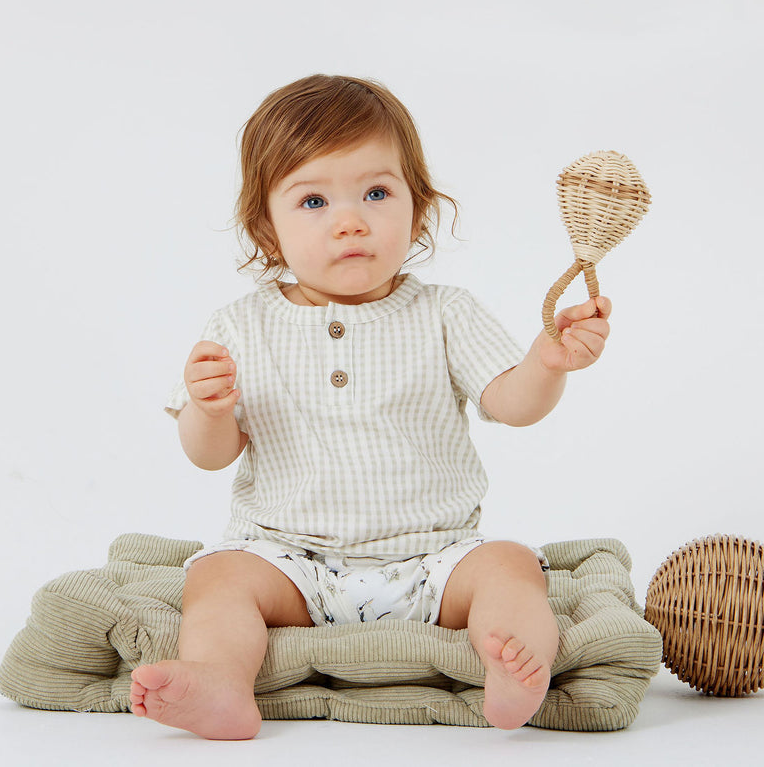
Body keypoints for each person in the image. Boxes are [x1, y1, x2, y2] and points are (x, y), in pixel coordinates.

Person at [130, 75, 612, 740]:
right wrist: (208, 412)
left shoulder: (443, 312)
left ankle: (513, 668)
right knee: (217, 577)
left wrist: (546, 362)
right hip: (287, 561)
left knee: (510, 566)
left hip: (436, 557)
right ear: (266, 228)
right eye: (313, 199)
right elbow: (210, 455)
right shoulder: (240, 324)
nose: (349, 219)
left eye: (377, 193)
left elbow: (511, 402)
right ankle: (218, 681)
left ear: (418, 210)